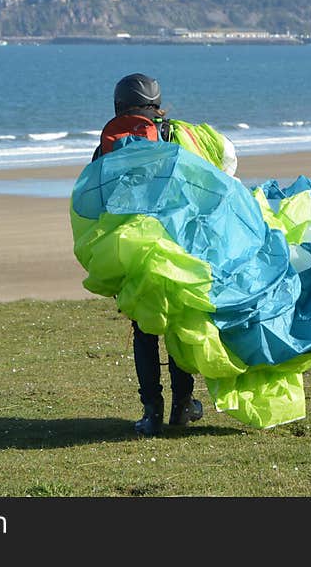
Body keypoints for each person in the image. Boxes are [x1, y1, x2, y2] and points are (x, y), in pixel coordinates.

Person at [93, 72, 235, 436]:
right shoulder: (180, 135)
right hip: (178, 245)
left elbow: (94, 196)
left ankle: (151, 413)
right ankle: (183, 407)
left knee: (144, 331)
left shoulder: (110, 142)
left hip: (134, 251)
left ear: (119, 103)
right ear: (157, 102)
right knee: (177, 327)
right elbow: (216, 175)